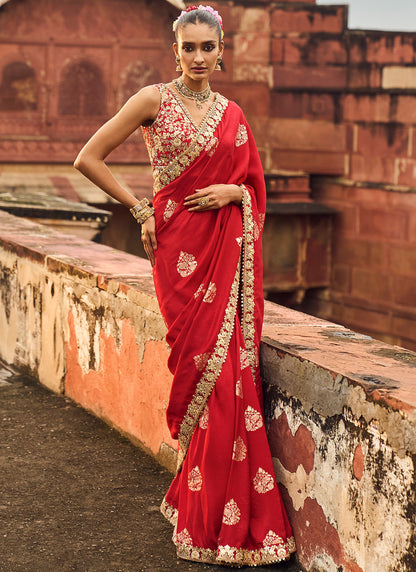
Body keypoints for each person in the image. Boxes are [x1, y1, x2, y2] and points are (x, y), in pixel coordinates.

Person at [74, 5, 296, 567]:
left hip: (223, 246)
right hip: (177, 253)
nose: (198, 57)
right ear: (174, 51)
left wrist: (234, 196)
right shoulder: (151, 101)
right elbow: (88, 158)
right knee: (200, 369)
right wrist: (140, 208)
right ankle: (202, 511)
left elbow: (252, 186)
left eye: (207, 47)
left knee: (228, 378)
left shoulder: (234, 115)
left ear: (222, 51)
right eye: (188, 47)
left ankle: (213, 512)